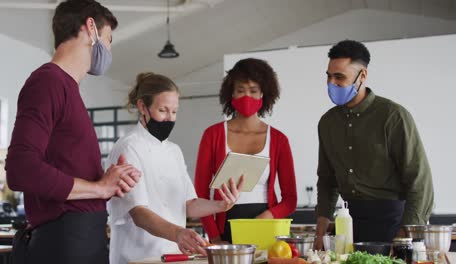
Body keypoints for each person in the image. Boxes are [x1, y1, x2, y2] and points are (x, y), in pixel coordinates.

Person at [5, 1, 141, 263]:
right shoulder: (47, 82)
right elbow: (20, 169)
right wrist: (98, 188)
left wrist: (109, 182)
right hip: (64, 241)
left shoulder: (68, 89)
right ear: (91, 28)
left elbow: (66, 170)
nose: (109, 51)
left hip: (82, 237)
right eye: (108, 39)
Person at [107, 73, 244, 264]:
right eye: (163, 110)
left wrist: (221, 205)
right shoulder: (128, 148)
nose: (169, 118)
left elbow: (189, 204)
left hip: (173, 256)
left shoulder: (174, 151)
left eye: (174, 111)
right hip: (137, 257)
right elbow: (138, 212)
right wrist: (178, 233)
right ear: (142, 107)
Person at [314, 40, 434, 248]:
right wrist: (321, 228)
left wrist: (406, 234)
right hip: (347, 223)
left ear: (362, 76)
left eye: (339, 77)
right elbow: (326, 180)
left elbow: (420, 181)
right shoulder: (327, 123)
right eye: (329, 76)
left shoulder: (393, 116)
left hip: (393, 222)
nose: (331, 83)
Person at [194, 58, 297, 244]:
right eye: (240, 90)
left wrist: (267, 216)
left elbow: (290, 199)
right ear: (231, 93)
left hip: (266, 226)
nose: (246, 96)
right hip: (225, 228)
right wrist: (215, 237)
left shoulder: (279, 140)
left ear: (263, 93)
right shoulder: (212, 135)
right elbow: (200, 194)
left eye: (253, 91)